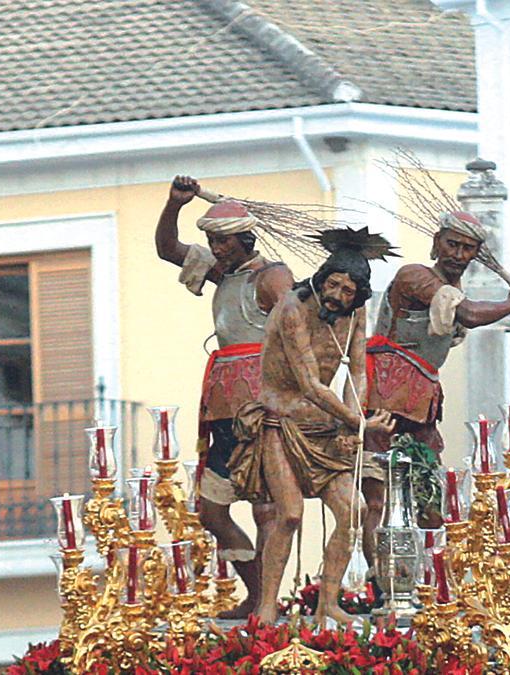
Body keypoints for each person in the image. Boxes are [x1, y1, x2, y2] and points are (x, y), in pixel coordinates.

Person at [229, 228, 396, 625]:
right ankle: (267, 603)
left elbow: (357, 371)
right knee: (288, 514)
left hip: (326, 426)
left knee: (353, 510)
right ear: (321, 279)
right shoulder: (292, 309)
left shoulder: (355, 313)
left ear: (359, 294)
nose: (338, 295)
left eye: (348, 290)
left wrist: (352, 427)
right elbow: (308, 383)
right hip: (281, 423)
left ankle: (328, 602)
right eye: (333, 284)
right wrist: (358, 421)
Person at [154, 175, 294, 618]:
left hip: (261, 407)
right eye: (212, 241)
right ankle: (255, 594)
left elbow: (298, 326)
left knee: (266, 506)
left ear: (243, 239)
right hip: (222, 407)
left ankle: (266, 601)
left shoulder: (271, 276)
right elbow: (167, 248)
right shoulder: (222, 274)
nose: (215, 249)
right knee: (211, 510)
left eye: (222, 242)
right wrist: (174, 205)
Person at [363, 210, 510, 539]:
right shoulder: (415, 276)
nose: (458, 254)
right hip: (385, 394)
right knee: (379, 497)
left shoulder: (452, 288)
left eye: (467, 248)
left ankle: (429, 580)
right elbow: (467, 313)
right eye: (452, 244)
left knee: (432, 499)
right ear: (436, 242)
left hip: (420, 401)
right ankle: (379, 583)